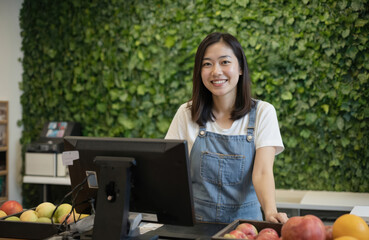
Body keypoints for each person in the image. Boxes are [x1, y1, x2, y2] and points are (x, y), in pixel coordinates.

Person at [165, 32, 288, 224]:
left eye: (224, 62)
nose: (216, 71)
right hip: (195, 227)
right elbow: (171, 171)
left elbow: (262, 172)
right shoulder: (186, 113)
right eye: (207, 64)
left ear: (240, 68)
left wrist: (270, 211)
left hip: (247, 229)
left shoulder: (264, 113)